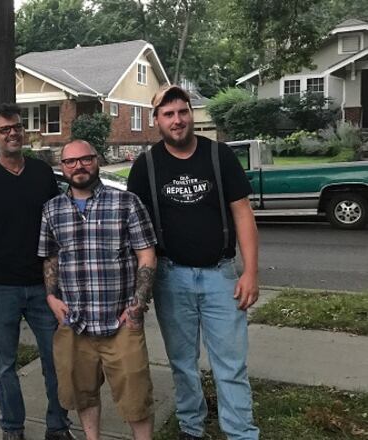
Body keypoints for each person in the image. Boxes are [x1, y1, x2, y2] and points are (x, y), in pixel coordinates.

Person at [126, 84, 260, 440]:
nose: (177, 120)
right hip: (171, 279)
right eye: (168, 114)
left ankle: (241, 432)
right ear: (157, 121)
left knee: (230, 365)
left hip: (221, 276)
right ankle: (191, 427)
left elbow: (243, 214)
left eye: (183, 111)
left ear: (191, 114)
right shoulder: (146, 166)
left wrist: (250, 272)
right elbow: (133, 227)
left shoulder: (219, 156)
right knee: (183, 363)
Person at [0, 103, 74, 440]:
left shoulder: (42, 173)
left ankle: (57, 426)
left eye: (16, 127)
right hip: (0, 285)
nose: (13, 133)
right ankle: (12, 427)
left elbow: (58, 218)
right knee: (4, 364)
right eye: (4, 129)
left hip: (43, 285)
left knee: (55, 361)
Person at [39, 140, 157, 440]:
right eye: (70, 162)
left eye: (85, 159)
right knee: (82, 393)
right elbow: (51, 256)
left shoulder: (126, 202)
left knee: (136, 398)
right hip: (75, 322)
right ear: (62, 167)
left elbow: (146, 255)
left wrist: (137, 306)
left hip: (121, 322)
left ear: (97, 161)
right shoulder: (52, 209)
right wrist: (52, 297)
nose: (78, 166)